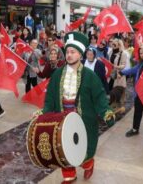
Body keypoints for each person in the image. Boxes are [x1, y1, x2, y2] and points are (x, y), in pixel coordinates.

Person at [40, 32, 115, 183]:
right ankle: (70, 175)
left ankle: (88, 164)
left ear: (80, 54)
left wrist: (106, 111)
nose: (69, 55)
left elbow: (99, 96)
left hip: (84, 119)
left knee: (83, 148)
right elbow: (50, 98)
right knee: (63, 148)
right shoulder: (58, 74)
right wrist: (44, 112)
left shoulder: (90, 75)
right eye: (67, 52)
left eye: (73, 52)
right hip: (61, 119)